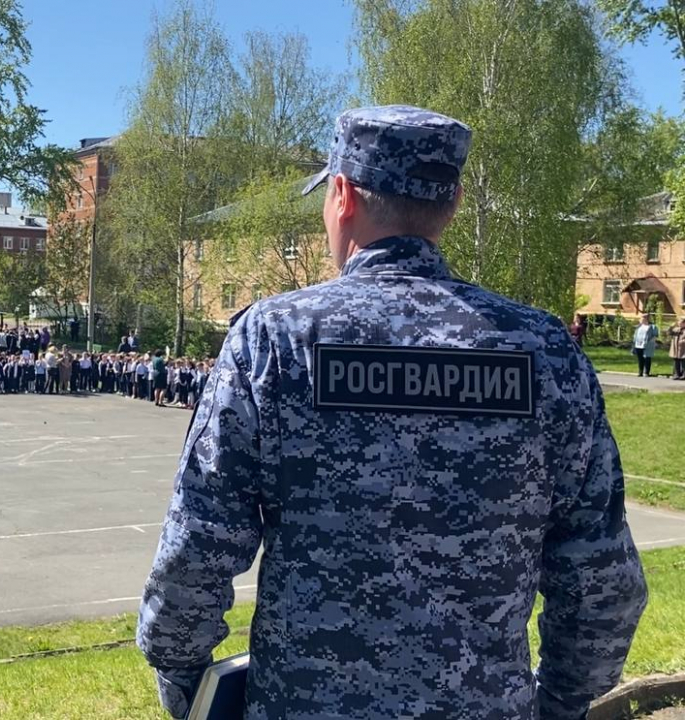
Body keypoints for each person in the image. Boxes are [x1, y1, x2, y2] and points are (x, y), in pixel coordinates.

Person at [136, 106, 647, 720]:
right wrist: (561, 703)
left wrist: (188, 685)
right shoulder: (544, 353)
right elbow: (602, 581)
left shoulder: (274, 341)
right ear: (452, 203)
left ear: (343, 194)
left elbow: (196, 552)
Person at [632, 313, 659, 378]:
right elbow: (636, 335)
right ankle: (640, 372)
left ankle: (646, 372)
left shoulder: (652, 326)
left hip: (647, 345)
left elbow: (655, 336)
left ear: (646, 319)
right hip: (638, 344)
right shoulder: (639, 326)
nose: (640, 319)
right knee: (640, 359)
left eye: (642, 318)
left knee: (647, 358)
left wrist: (650, 342)